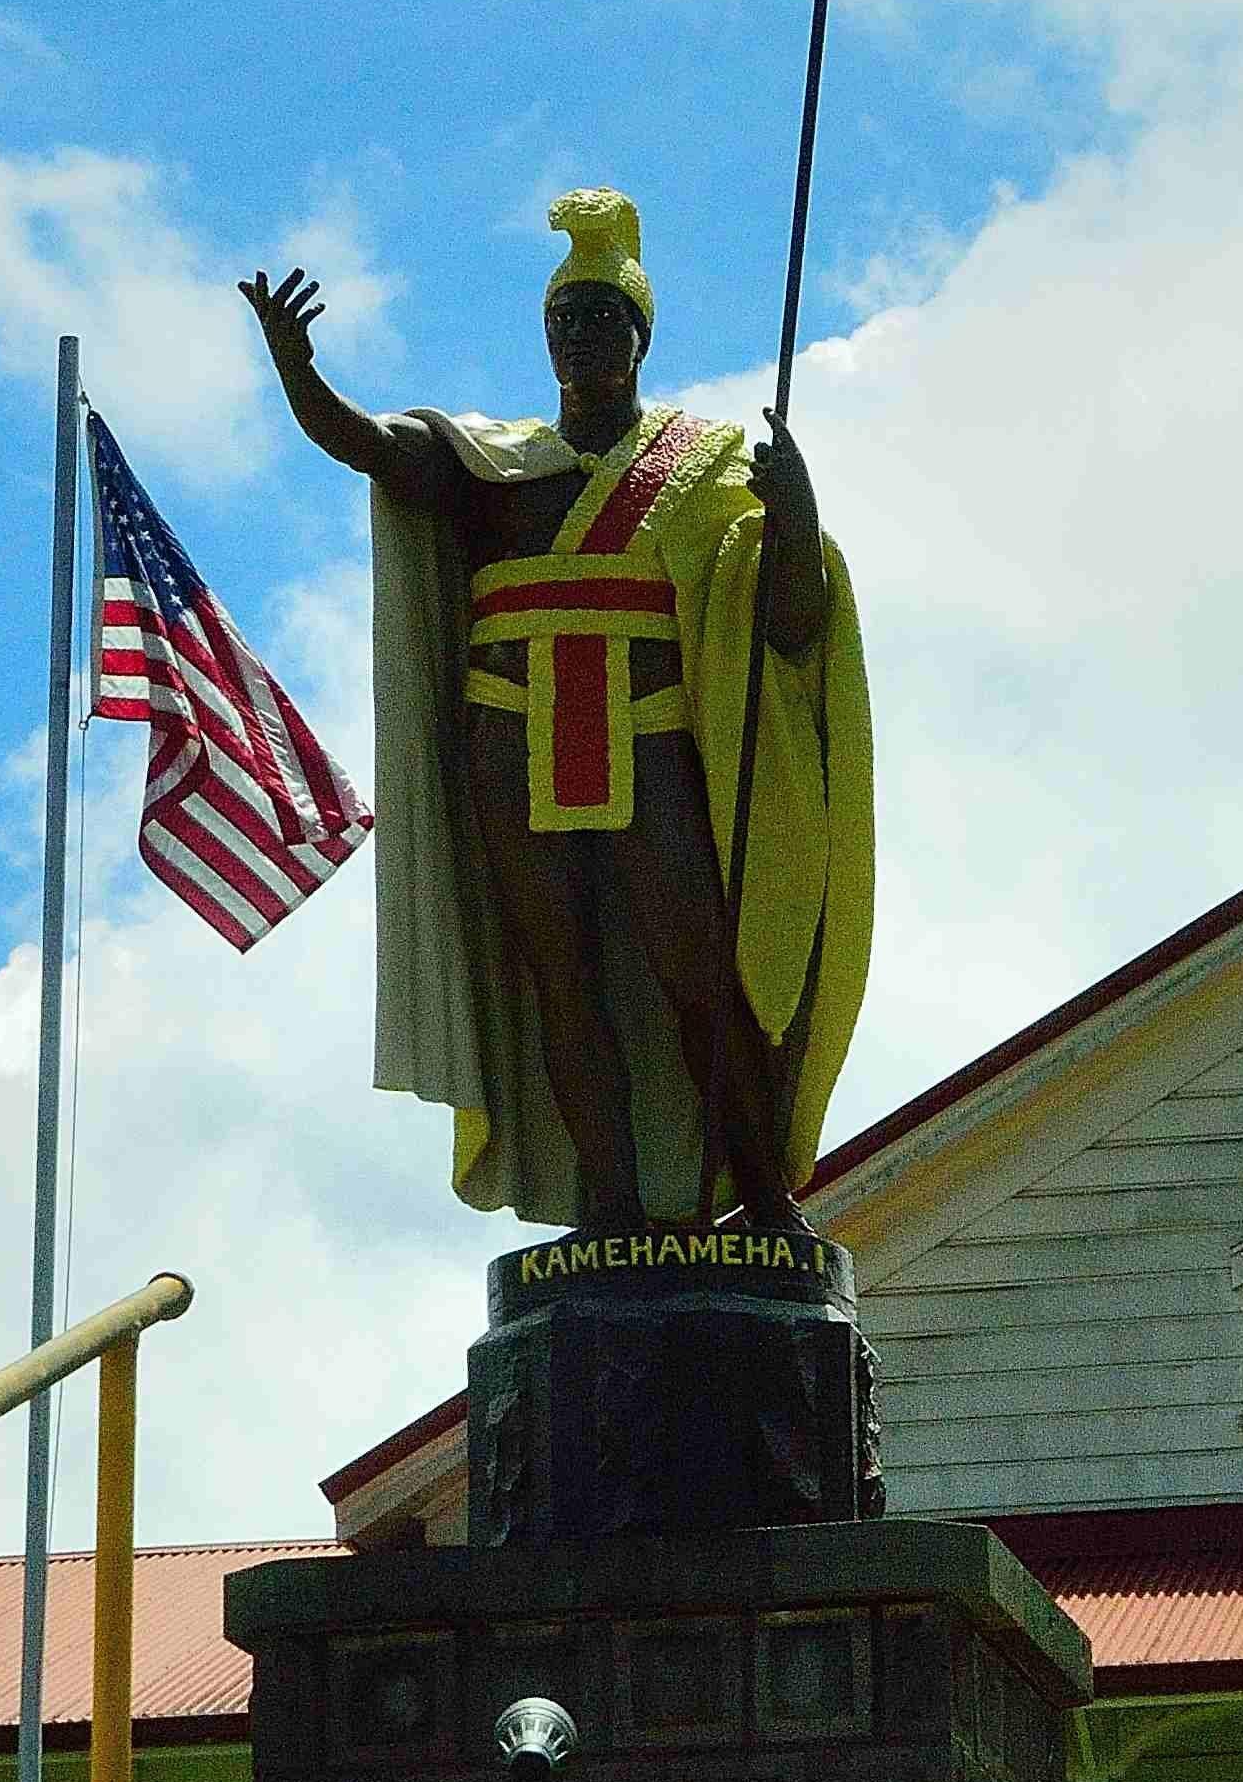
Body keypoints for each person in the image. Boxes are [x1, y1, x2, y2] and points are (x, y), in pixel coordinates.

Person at [246, 190, 870, 1228]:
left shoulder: (705, 470)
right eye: (563, 321)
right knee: (562, 984)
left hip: (652, 732)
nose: (580, 337)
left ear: (639, 338)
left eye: (600, 319)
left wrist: (794, 514)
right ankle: (612, 1212)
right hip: (514, 737)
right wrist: (299, 372)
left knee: (696, 978)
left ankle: (764, 1201)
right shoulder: (496, 465)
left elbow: (790, 621)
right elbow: (367, 445)